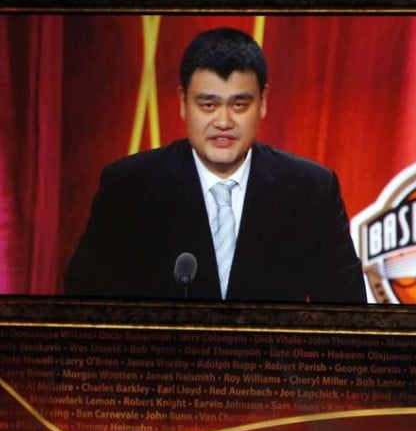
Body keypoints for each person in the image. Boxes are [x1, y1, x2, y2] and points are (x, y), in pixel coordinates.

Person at [64, 27, 366, 304]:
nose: (223, 122)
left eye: (239, 105)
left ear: (262, 102)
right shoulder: (129, 187)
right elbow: (86, 304)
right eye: (208, 105)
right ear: (183, 103)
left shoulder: (311, 190)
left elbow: (346, 311)